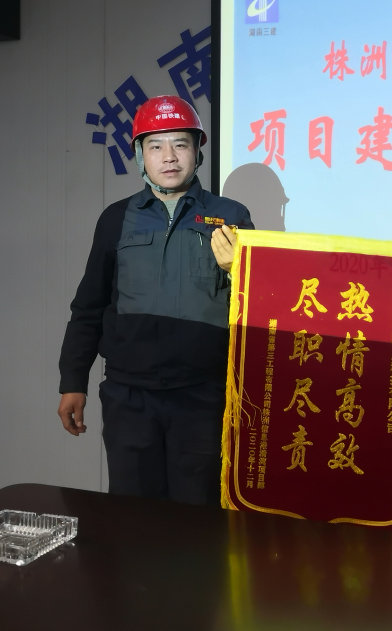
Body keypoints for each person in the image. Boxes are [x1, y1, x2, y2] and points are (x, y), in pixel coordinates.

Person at [57, 95, 254, 506]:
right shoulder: (116, 218)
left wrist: (241, 270)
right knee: (132, 515)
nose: (169, 157)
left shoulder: (231, 216)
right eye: (155, 146)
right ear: (139, 155)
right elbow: (89, 307)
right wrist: (73, 381)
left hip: (203, 397)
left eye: (181, 144)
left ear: (197, 151)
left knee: (198, 518)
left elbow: (259, 307)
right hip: (129, 397)